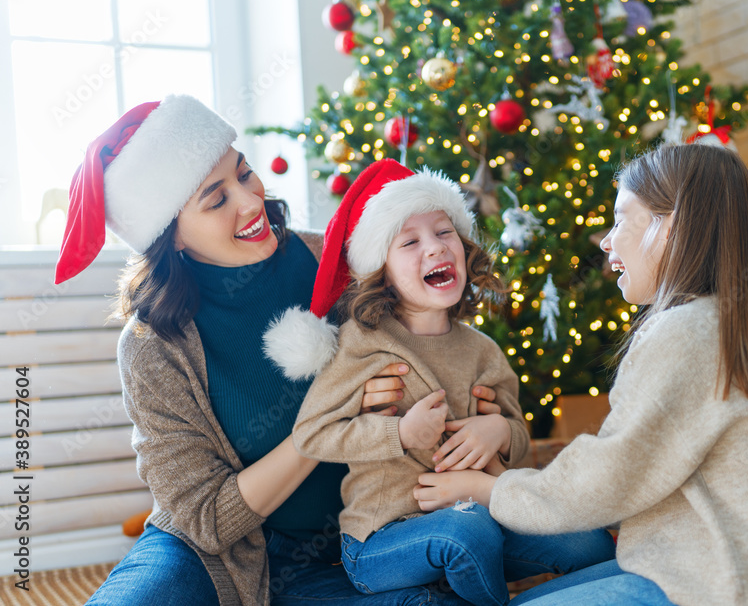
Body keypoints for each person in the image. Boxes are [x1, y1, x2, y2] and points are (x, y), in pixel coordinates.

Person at [56, 95, 500, 606]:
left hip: (361, 545)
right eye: (216, 199)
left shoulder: (337, 262)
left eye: (244, 174)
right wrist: (332, 418)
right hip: (215, 555)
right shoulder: (153, 346)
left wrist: (495, 427)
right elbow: (206, 520)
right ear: (171, 236)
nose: (250, 201)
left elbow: (447, 356)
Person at [412, 143, 748, 606]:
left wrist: (487, 488)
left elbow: (607, 477)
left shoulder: (689, 333)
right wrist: (508, 481)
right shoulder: (729, 324)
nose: (606, 240)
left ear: (671, 227)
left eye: (622, 219)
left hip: (735, 589)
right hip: (744, 577)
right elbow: (641, 472)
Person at [262, 159, 616, 606]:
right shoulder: (363, 343)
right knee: (466, 531)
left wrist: (502, 431)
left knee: (589, 543)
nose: (435, 248)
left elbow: (521, 440)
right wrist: (400, 433)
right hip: (381, 542)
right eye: (410, 241)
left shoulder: (482, 349)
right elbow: (312, 435)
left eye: (444, 232)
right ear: (382, 271)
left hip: (482, 518)